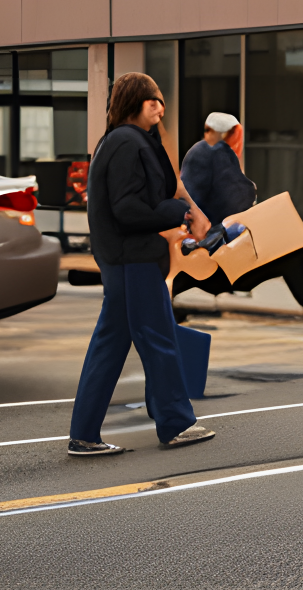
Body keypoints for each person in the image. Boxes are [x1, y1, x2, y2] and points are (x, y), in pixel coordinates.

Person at [67, 72, 217, 457]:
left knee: (110, 347)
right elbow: (128, 209)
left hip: (124, 259)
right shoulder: (126, 142)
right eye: (154, 100)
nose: (161, 107)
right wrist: (178, 213)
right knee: (159, 340)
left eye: (162, 101)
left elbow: (151, 195)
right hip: (132, 258)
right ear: (136, 101)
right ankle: (175, 423)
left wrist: (184, 211)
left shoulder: (123, 140)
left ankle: (84, 435)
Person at [179, 112, 303, 307]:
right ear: (232, 133)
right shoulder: (218, 150)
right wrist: (251, 188)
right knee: (289, 246)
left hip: (204, 245)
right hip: (217, 250)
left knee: (285, 244)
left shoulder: (198, 151)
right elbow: (239, 197)